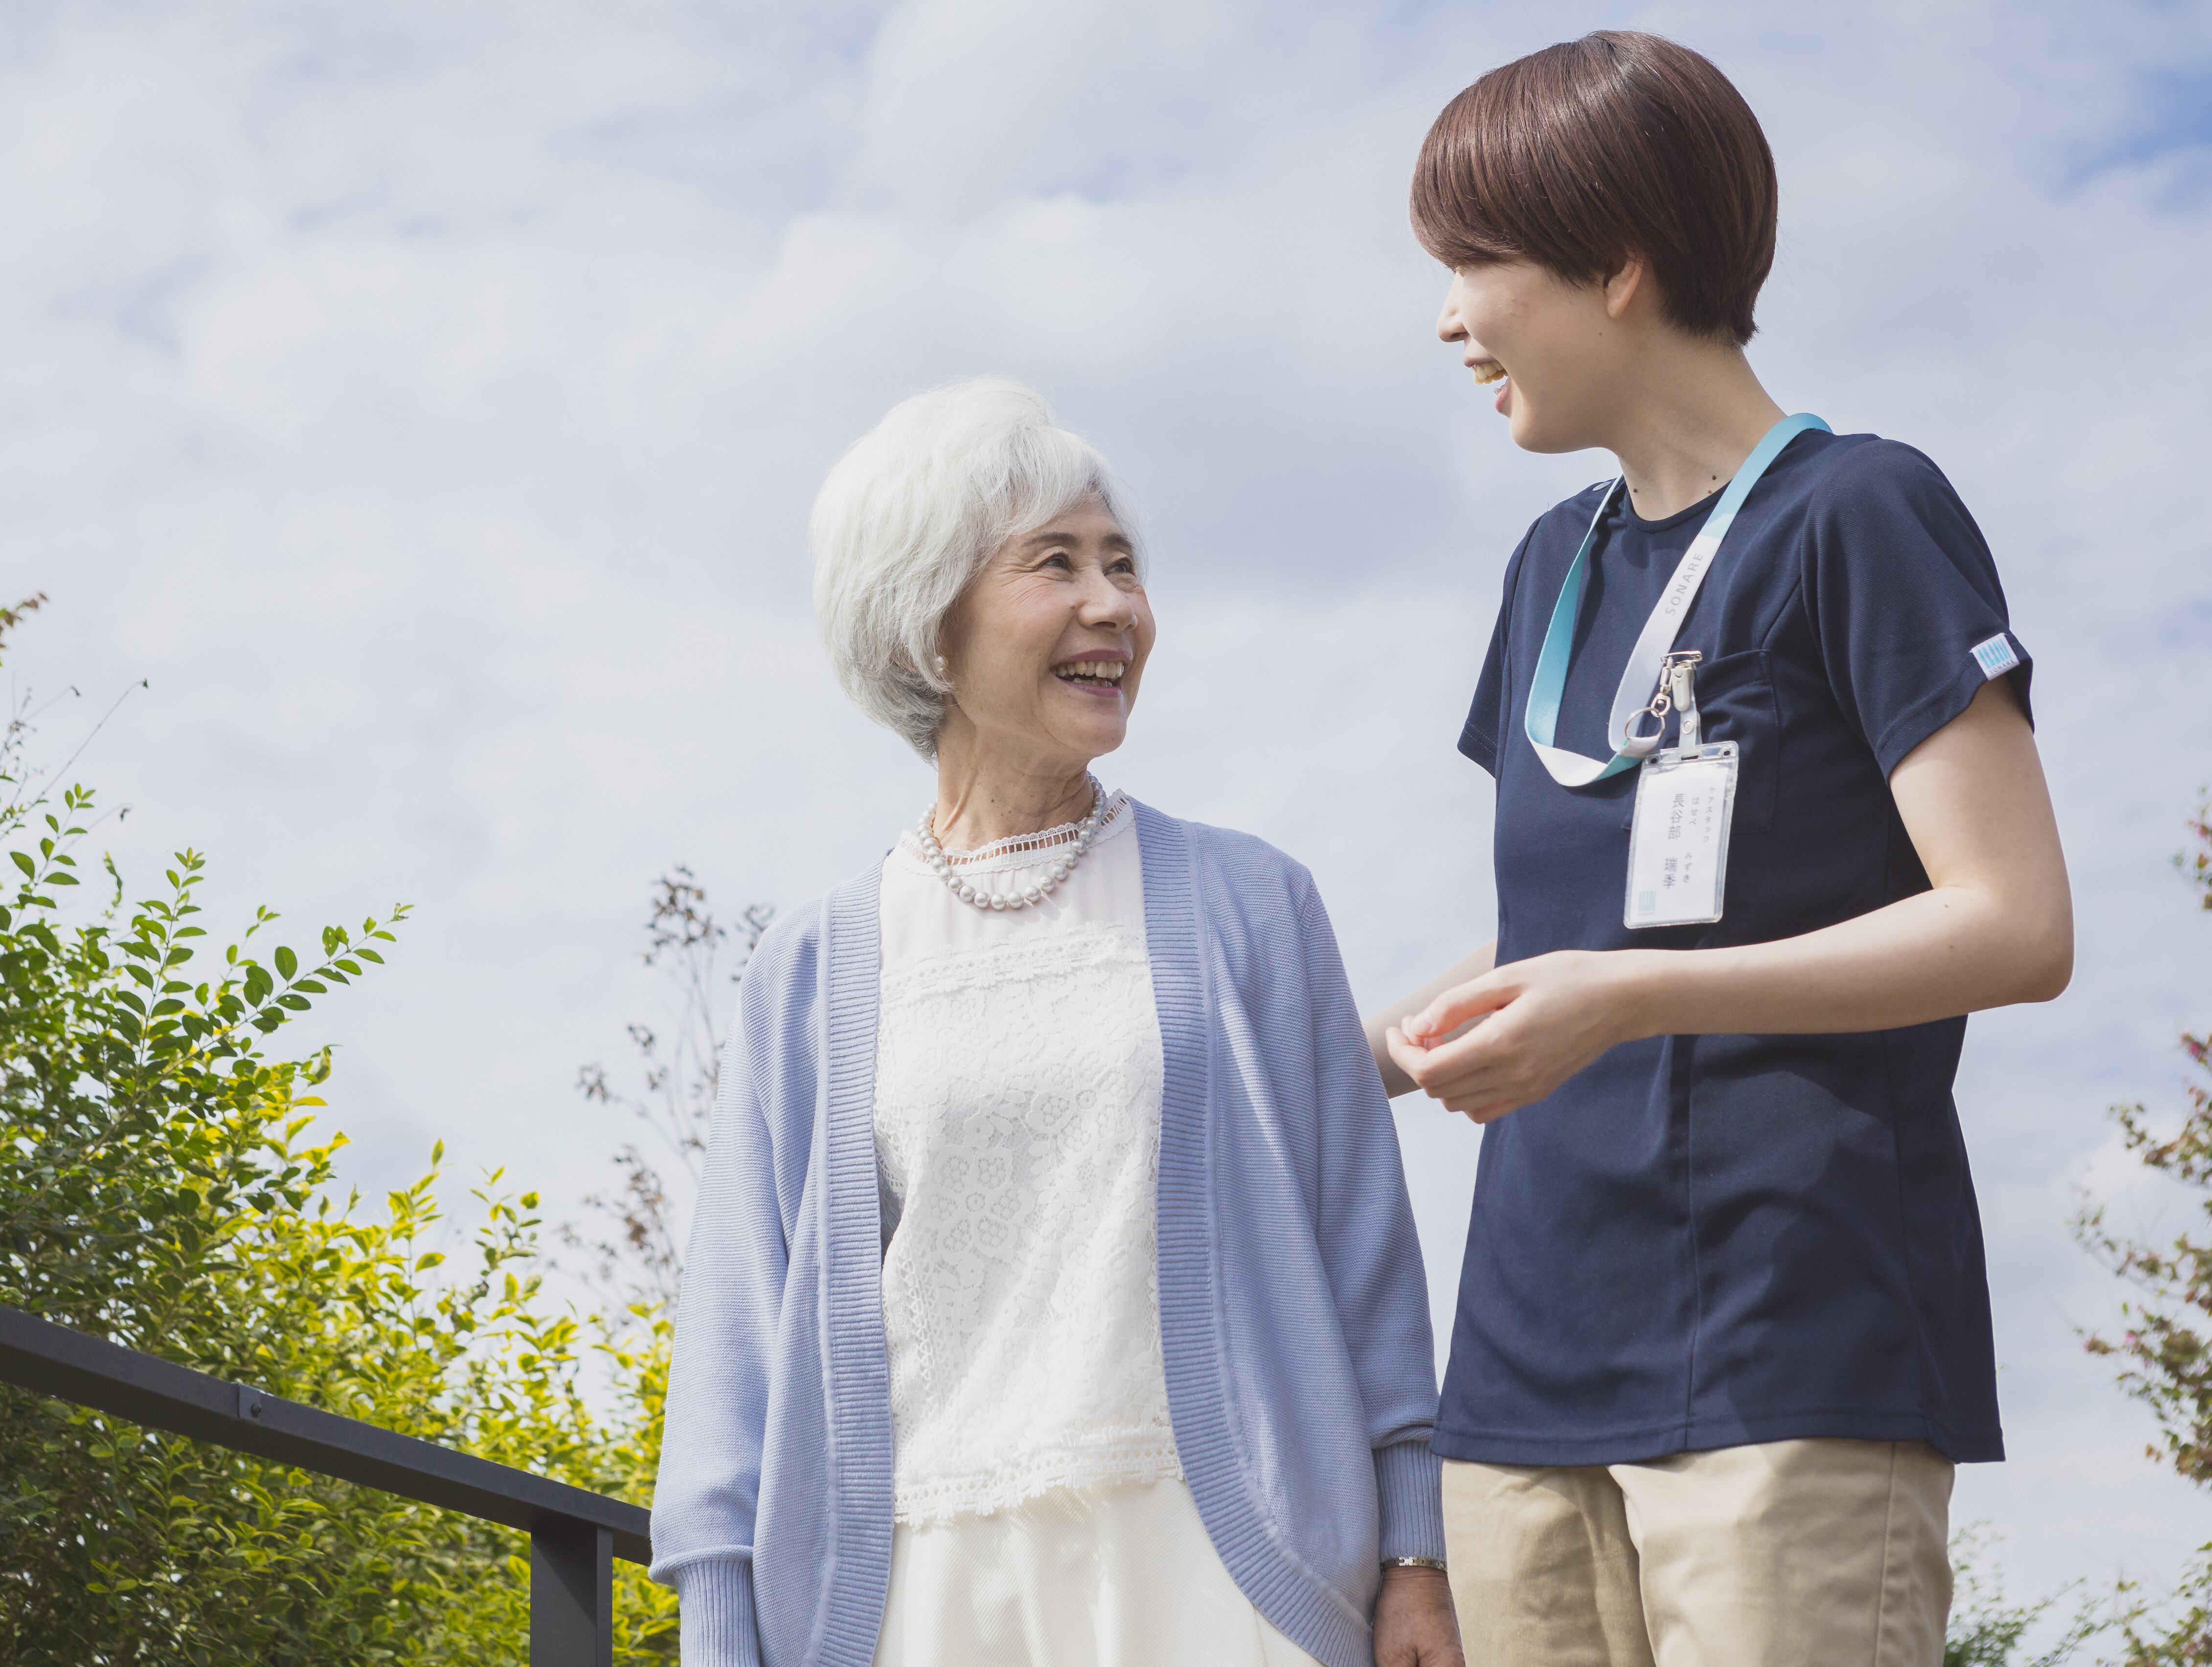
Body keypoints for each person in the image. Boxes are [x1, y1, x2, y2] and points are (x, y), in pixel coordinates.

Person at [1367, 30, 2075, 1667]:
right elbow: (1561, 923)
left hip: (1785, 1349)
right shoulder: (1552, 564)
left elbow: (2014, 923)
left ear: (1616, 263)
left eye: (1475, 261)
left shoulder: (1862, 515)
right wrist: (1354, 1061)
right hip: (1521, 1386)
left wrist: (1626, 1003)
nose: (1449, 315)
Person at [650, 378, 1462, 1667]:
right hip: (927, 1587)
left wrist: (1416, 1554)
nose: (1113, 606)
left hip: (1226, 1569)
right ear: (927, 623)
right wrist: (719, 1623)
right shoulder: (814, 967)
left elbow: (1364, 1250)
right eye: (1057, 564)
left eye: (1124, 565)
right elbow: (740, 1331)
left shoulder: (1253, 905)